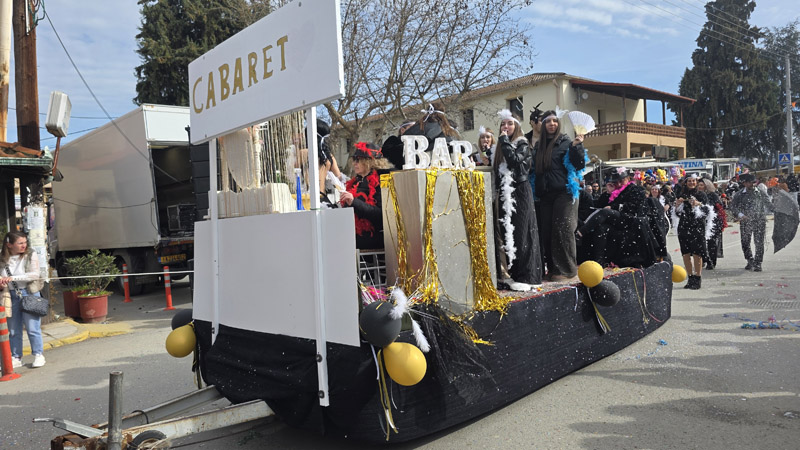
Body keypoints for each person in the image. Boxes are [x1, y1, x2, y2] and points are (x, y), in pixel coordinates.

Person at [530, 109, 586, 281]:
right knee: (547, 232)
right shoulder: (539, 146)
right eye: (548, 121)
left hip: (565, 193)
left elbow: (579, 164)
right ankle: (554, 268)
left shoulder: (566, 142)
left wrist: (577, 146)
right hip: (545, 195)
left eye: (554, 121)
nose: (551, 124)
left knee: (563, 230)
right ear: (543, 125)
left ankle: (567, 270)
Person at [494, 109, 542, 290]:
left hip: (520, 192)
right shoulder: (501, 147)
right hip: (505, 193)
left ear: (516, 126)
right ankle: (515, 274)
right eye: (503, 124)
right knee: (510, 234)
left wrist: (504, 141)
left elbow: (514, 161)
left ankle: (527, 275)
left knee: (523, 232)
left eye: (510, 123)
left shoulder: (522, 143)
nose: (506, 127)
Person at [1, 231, 46, 368]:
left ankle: (38, 354)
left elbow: (34, 274)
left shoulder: (30, 254)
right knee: (13, 329)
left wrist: (12, 278)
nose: (24, 245)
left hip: (29, 293)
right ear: (9, 245)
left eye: (25, 242)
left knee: (32, 327)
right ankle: (16, 357)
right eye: (20, 243)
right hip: (10, 295)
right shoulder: (2, 257)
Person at [340, 142, 391, 249]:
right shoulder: (354, 182)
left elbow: (381, 215)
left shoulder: (381, 181)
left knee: (342, 242)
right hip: (355, 232)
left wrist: (354, 202)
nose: (355, 163)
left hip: (374, 234)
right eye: (354, 159)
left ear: (369, 161)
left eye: (358, 160)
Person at [675, 174, 715, 289]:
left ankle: (698, 278)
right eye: (689, 181)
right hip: (684, 226)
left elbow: (708, 211)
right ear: (686, 182)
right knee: (685, 253)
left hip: (697, 227)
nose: (691, 183)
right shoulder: (681, 194)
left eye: (693, 181)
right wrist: (677, 206)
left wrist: (698, 204)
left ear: (696, 182)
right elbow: (677, 214)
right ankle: (690, 277)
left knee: (697, 253)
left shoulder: (701, 195)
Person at [730, 173, 768, 272]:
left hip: (759, 220)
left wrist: (776, 209)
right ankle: (750, 259)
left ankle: (758, 262)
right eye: (747, 182)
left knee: (759, 242)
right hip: (745, 221)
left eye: (752, 182)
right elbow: (733, 207)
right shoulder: (739, 194)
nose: (750, 184)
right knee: (745, 242)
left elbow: (768, 204)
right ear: (744, 183)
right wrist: (741, 215)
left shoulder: (760, 193)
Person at [698, 176, 725, 270]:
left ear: (706, 186)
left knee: (711, 243)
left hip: (712, 222)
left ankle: (711, 261)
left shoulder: (713, 195)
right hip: (700, 221)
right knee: (701, 242)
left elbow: (718, 207)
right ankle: (703, 260)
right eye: (698, 185)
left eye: (701, 185)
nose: (699, 187)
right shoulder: (697, 195)